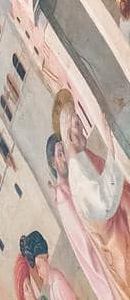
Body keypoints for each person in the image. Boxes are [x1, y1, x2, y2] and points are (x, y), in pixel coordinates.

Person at [55, 93, 130, 296]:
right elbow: (103, 205)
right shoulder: (77, 170)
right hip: (120, 246)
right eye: (77, 123)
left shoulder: (82, 158)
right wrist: (111, 150)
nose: (82, 127)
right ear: (70, 136)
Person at [15, 230, 81, 300]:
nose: (39, 274)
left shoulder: (58, 282)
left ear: (45, 256)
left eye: (39, 266)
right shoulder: (53, 284)